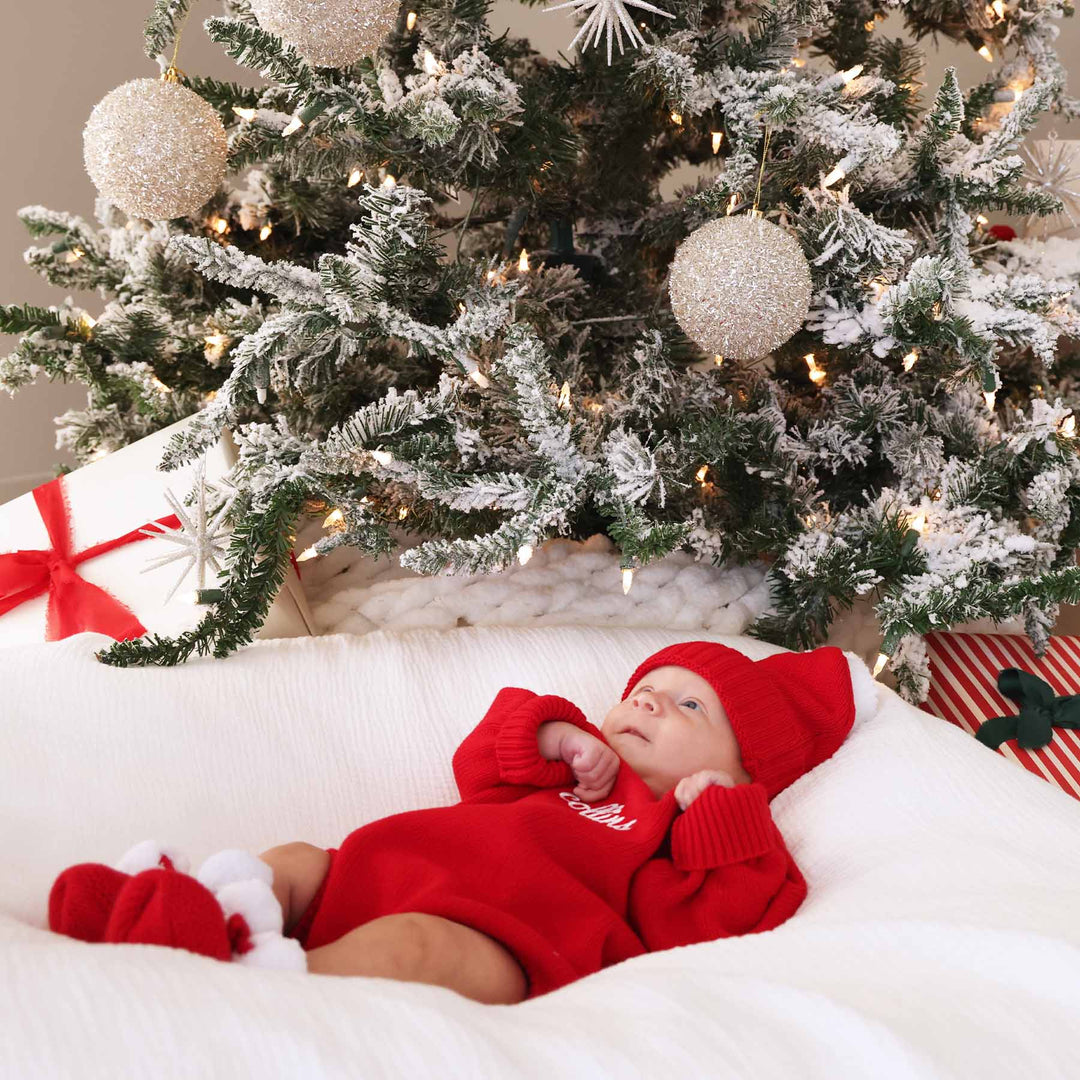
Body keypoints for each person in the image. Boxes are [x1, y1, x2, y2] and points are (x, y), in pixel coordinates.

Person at [47, 641, 875, 1003]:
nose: (649, 699)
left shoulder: (678, 834)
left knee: (416, 949)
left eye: (689, 702)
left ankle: (257, 988)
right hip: (377, 870)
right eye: (644, 688)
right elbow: (480, 764)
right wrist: (552, 734)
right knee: (297, 858)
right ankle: (198, 908)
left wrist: (724, 820)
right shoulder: (583, 762)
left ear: (738, 770)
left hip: (500, 943)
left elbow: (719, 923)